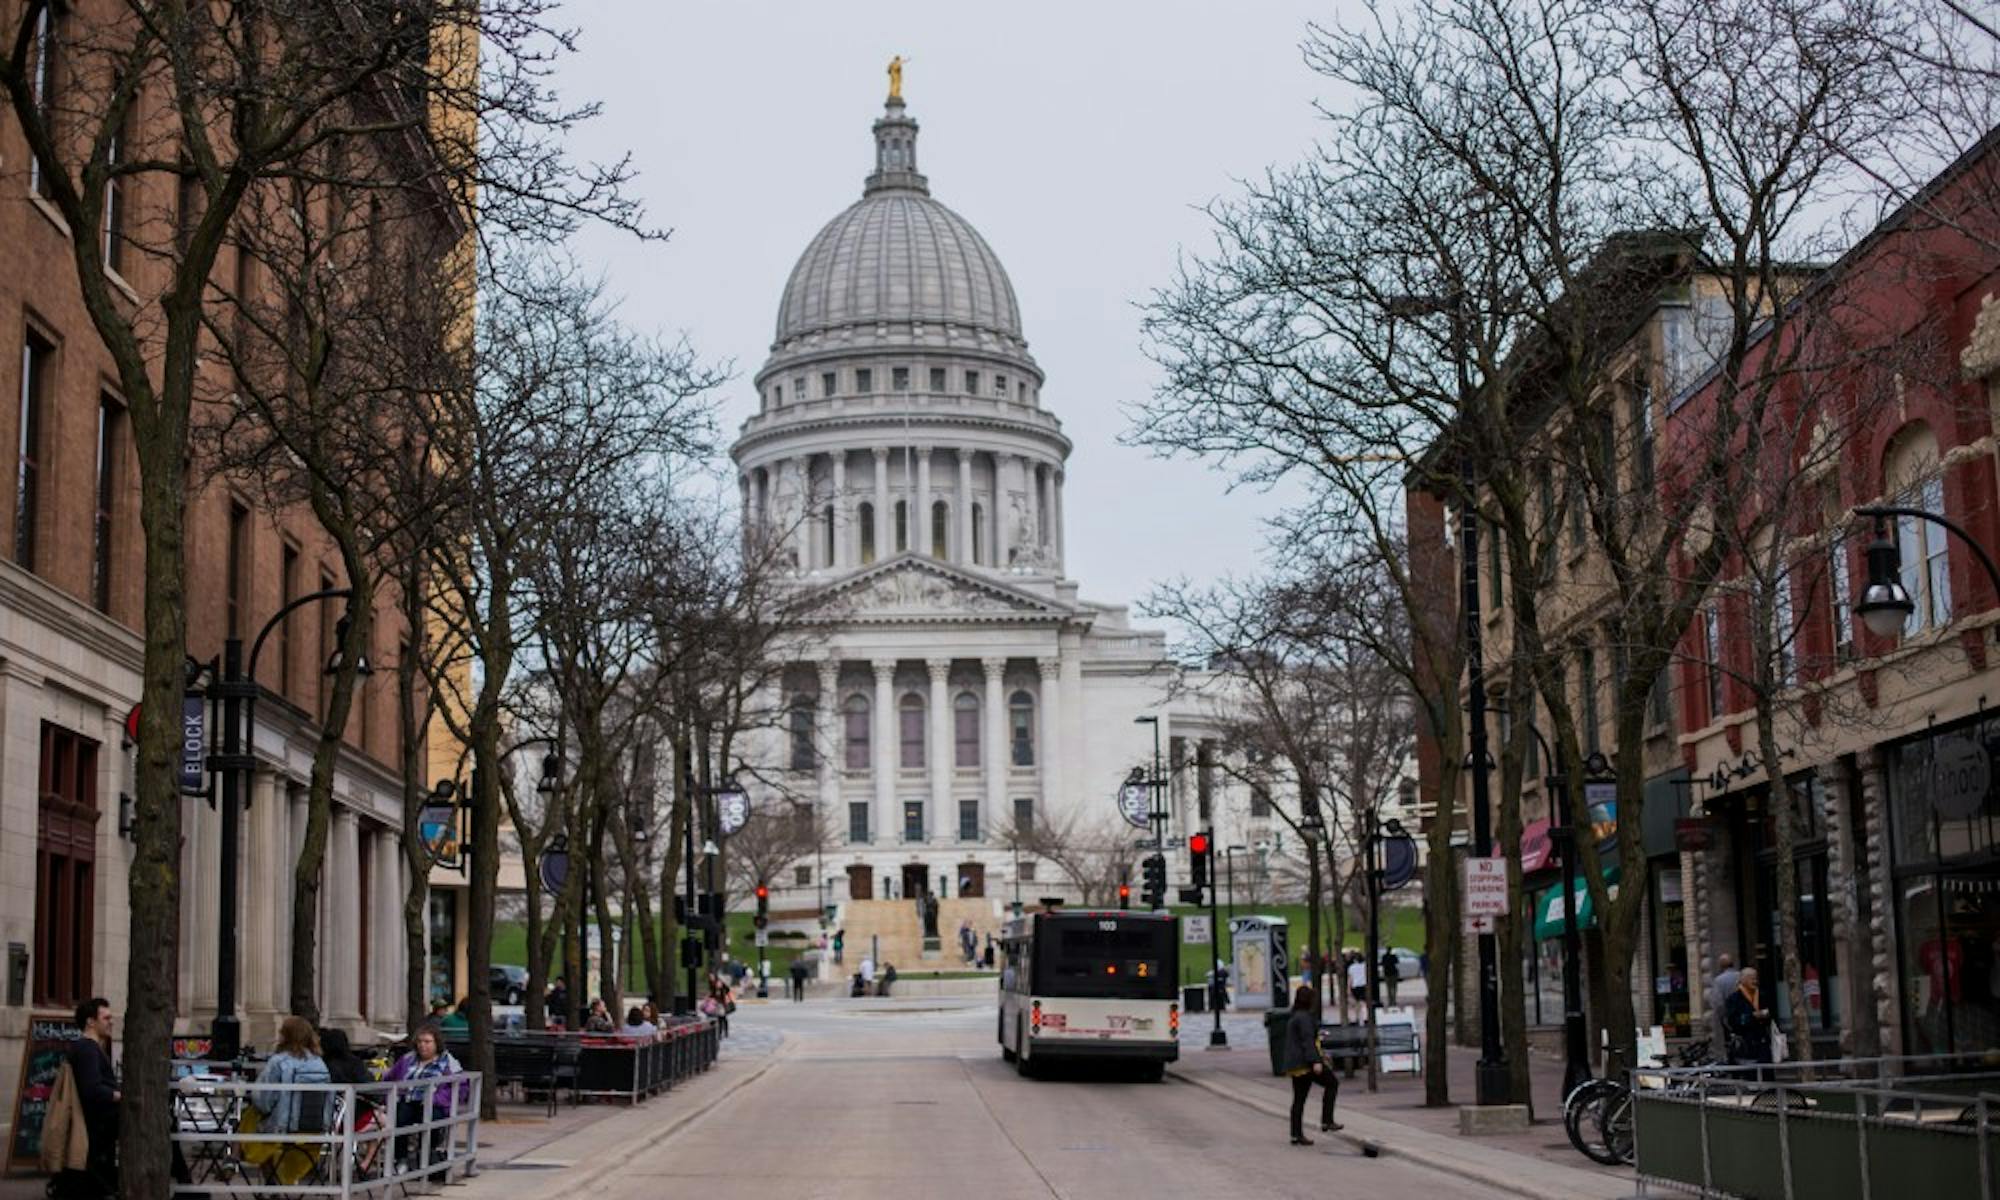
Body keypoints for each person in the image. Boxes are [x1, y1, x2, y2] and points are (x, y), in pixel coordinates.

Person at [385, 1024, 463, 1177]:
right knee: (398, 1118)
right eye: (420, 1041)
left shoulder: (448, 1062)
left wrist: (437, 1099)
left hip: (434, 1103)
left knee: (431, 1119)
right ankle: (401, 1159)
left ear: (436, 1043)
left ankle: (425, 1158)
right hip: (408, 1100)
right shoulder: (408, 1059)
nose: (423, 1045)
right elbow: (390, 1078)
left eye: (427, 1042)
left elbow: (460, 1087)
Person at [66, 998, 120, 1197]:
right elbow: (92, 1090)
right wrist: (118, 1095)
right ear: (90, 1022)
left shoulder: (90, 1048)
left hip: (100, 1119)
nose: (111, 1022)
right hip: (99, 1121)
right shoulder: (88, 1049)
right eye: (106, 1018)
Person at [1281, 986, 1340, 1145]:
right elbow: (1307, 1041)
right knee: (1332, 1083)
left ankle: (1296, 1134)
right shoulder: (1305, 1018)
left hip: (1295, 1064)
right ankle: (1327, 1120)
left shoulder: (1294, 1016)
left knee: (1299, 1099)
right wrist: (1316, 1061)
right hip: (1306, 1062)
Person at [255, 1016, 332, 1135]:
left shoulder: (279, 1062)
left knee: (248, 1116)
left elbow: (264, 1102)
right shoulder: (320, 1063)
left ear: (285, 1036)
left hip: (281, 1129)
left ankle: (236, 1152)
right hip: (316, 1130)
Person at [1724, 966, 1773, 1069]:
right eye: (1752, 978)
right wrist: (1752, 1016)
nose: (1755, 981)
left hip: (1762, 1042)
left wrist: (1766, 1015)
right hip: (1745, 1044)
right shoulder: (1734, 999)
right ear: (1743, 980)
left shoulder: (1762, 995)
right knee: (1750, 1076)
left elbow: (1771, 1016)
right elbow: (1733, 1021)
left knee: (1766, 1073)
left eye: (1756, 978)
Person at [1708, 953, 1741, 1052]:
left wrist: (1723, 1018)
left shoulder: (1719, 980)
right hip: (1744, 1016)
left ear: (1721, 965)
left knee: (1730, 1044)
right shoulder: (1741, 976)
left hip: (1729, 1018)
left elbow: (1718, 1003)